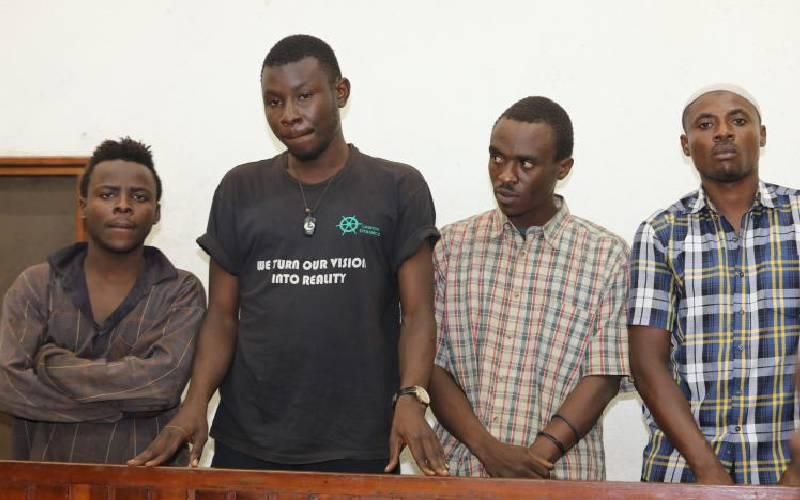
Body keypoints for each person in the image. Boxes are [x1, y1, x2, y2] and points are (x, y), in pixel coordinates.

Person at [130, 34, 447, 475]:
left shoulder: (397, 187)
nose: (289, 115)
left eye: (304, 96)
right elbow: (222, 316)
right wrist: (195, 403)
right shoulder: (240, 189)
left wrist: (412, 397)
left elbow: (417, 314)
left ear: (340, 93)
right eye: (274, 102)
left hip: (362, 440)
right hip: (249, 439)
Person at [429, 96, 629, 480]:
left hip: (561, 478)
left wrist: (535, 459)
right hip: (462, 474)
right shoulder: (450, 247)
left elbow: (604, 373)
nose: (505, 175)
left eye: (525, 163)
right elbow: (431, 363)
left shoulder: (606, 255)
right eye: (496, 157)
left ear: (563, 168)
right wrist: (489, 451)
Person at [628, 85, 800, 485]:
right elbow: (647, 364)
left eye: (738, 121)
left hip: (785, 468)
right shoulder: (661, 233)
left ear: (762, 135)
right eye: (706, 125)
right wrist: (707, 471)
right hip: (683, 471)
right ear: (686, 146)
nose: (723, 132)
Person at [0, 137, 206, 464]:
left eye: (138, 197)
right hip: (46, 481)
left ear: (156, 213)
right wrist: (115, 409)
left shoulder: (181, 290)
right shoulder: (36, 285)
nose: (123, 205)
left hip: (149, 484)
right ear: (82, 205)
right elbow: (8, 385)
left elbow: (160, 386)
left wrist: (51, 363)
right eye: (107, 194)